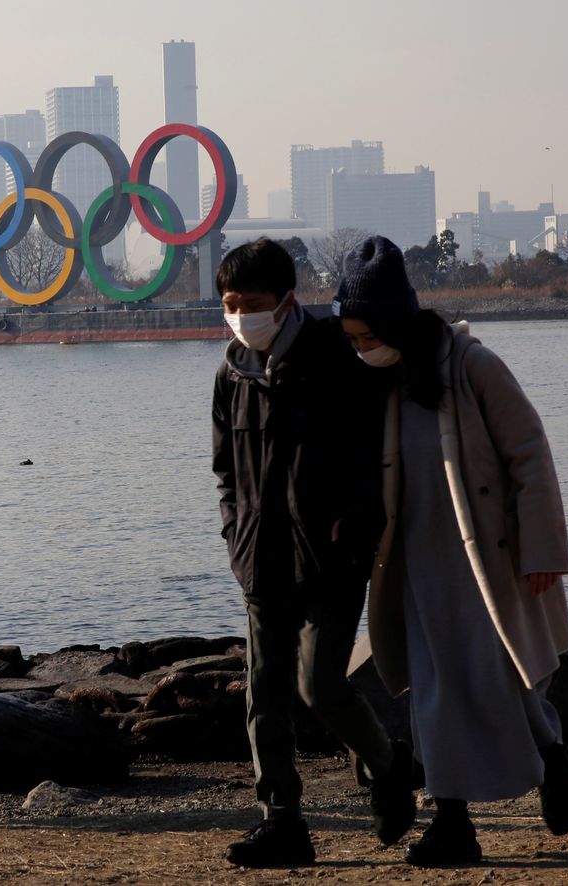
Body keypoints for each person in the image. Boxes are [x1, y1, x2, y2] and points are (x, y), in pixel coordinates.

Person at [332, 235, 568, 866]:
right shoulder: (379, 380)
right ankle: (453, 825)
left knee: (511, 675)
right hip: (415, 564)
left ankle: (555, 759)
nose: (360, 349)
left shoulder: (473, 365)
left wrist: (543, 552)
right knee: (433, 691)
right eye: (353, 340)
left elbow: (531, 456)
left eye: (366, 336)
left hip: (489, 560)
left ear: (391, 322)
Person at [211, 238, 415, 868]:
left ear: (287, 300)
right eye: (230, 303)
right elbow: (224, 471)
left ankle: (387, 764)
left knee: (320, 686)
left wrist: (362, 524)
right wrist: (234, 531)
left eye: (253, 303)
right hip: (259, 559)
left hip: (331, 559)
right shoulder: (230, 372)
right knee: (263, 695)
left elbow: (383, 448)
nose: (241, 314)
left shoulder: (338, 357)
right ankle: (282, 822)